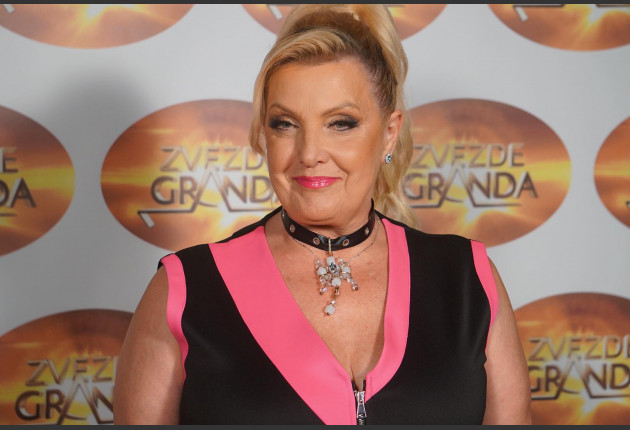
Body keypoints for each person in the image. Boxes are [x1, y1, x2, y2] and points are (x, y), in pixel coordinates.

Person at [113, 4, 531, 425]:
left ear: (389, 134)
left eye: (341, 123)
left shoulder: (468, 279)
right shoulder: (185, 289)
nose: (310, 153)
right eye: (285, 124)